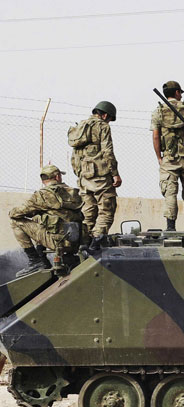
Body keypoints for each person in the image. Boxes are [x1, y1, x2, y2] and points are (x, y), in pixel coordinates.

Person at [9, 165, 83, 277]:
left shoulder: (42, 195)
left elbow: (16, 213)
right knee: (40, 218)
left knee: (15, 221)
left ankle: (36, 260)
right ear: (57, 177)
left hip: (58, 242)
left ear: (43, 180)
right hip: (78, 242)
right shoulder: (73, 193)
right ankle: (57, 258)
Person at [151, 80, 184, 231]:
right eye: (180, 92)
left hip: (169, 158)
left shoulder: (158, 111)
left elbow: (156, 136)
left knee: (170, 191)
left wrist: (159, 157)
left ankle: (170, 227)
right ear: (176, 92)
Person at [68, 101, 121, 251]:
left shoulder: (80, 127)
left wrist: (80, 174)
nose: (109, 122)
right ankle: (95, 243)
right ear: (105, 115)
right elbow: (107, 152)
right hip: (100, 177)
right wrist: (115, 174)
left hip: (84, 178)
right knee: (106, 210)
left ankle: (83, 244)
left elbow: (74, 157)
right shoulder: (102, 126)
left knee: (87, 213)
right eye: (109, 119)